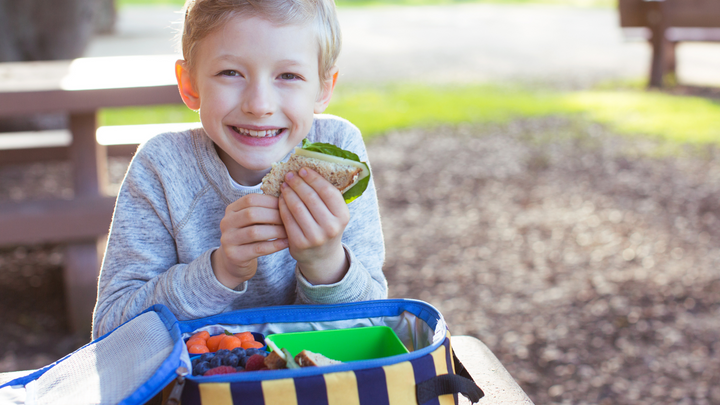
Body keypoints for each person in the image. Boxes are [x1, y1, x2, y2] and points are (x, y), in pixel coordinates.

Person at [91, 0, 387, 339]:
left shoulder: (340, 154)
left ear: (323, 88)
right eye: (230, 73)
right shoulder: (162, 167)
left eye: (288, 76)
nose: (259, 105)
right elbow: (111, 333)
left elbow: (374, 331)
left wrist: (325, 263)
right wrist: (219, 271)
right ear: (190, 84)